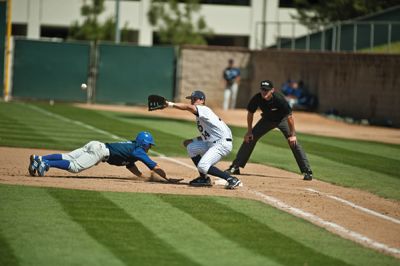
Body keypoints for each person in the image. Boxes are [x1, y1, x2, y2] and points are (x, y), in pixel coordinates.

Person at [226, 80, 313, 181]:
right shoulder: (257, 98)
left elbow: (290, 117)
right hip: (267, 120)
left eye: (266, 90)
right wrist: (249, 131)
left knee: (293, 142)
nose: (264, 92)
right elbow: (250, 113)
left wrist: (292, 134)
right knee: (250, 138)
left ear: (272, 90)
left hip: (282, 120)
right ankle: (235, 166)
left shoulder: (279, 99)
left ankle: (307, 171)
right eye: (262, 90)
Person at [162, 90, 241, 189]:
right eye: (191, 99)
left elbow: (188, 107)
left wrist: (169, 104)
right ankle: (203, 179)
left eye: (195, 99)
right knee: (191, 148)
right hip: (212, 142)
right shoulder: (201, 115)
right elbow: (207, 135)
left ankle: (231, 179)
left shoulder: (204, 109)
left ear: (202, 100)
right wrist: (193, 140)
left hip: (222, 144)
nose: (192, 101)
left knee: (203, 166)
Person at [28, 131, 170, 181]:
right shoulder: (138, 151)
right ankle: (46, 164)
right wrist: (168, 179)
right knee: (75, 167)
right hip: (100, 151)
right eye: (150, 145)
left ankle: (40, 159)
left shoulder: (133, 148)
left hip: (96, 145)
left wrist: (140, 176)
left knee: (68, 157)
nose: (150, 147)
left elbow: (130, 165)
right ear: (144, 144)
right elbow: (154, 166)